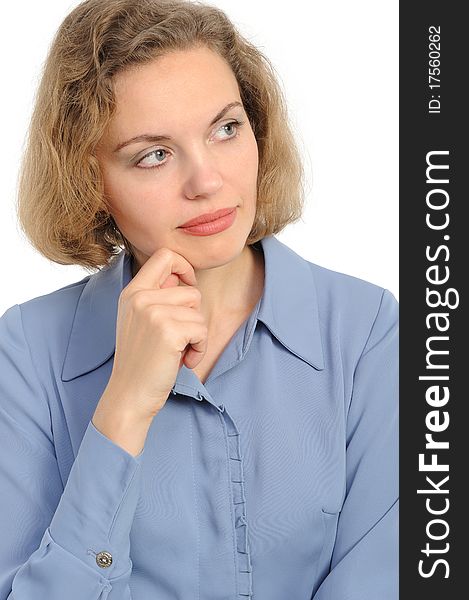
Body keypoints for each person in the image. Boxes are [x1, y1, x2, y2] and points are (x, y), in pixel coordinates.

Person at [0, 0, 398, 598]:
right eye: (154, 154)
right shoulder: (27, 349)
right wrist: (125, 406)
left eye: (226, 128)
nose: (207, 181)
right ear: (89, 180)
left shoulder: (369, 330)